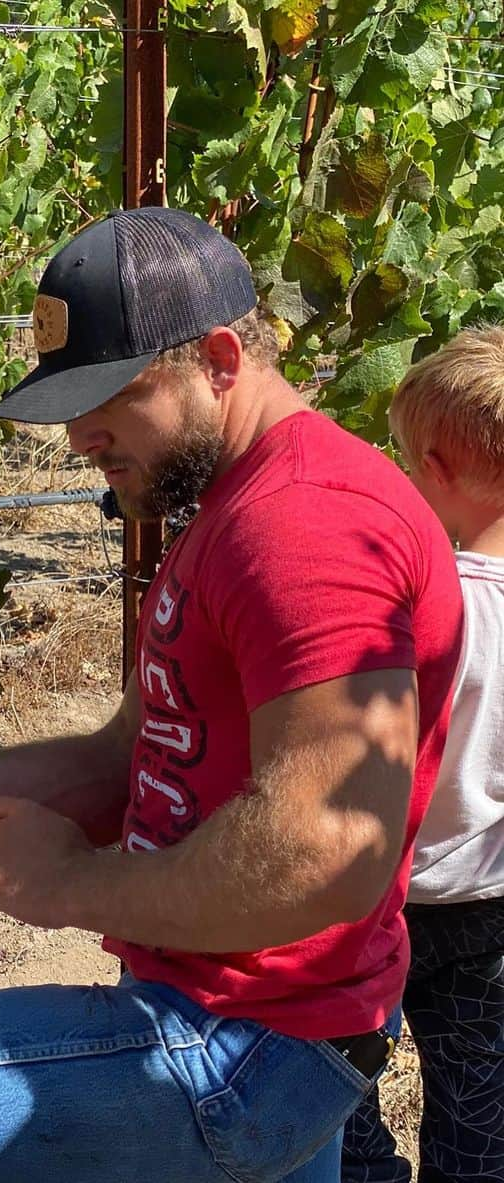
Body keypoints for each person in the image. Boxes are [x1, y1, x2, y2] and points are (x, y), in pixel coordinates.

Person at [0, 207, 463, 1183]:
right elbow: (129, 761)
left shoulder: (300, 527)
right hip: (269, 1031)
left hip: (242, 1046)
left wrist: (65, 884)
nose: (78, 436)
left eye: (110, 394)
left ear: (221, 358)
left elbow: (327, 853)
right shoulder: (243, 504)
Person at [342, 327, 504, 1183]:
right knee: (481, 1095)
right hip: (491, 907)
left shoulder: (427, 606)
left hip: (384, 897)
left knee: (341, 1079)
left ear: (435, 469)